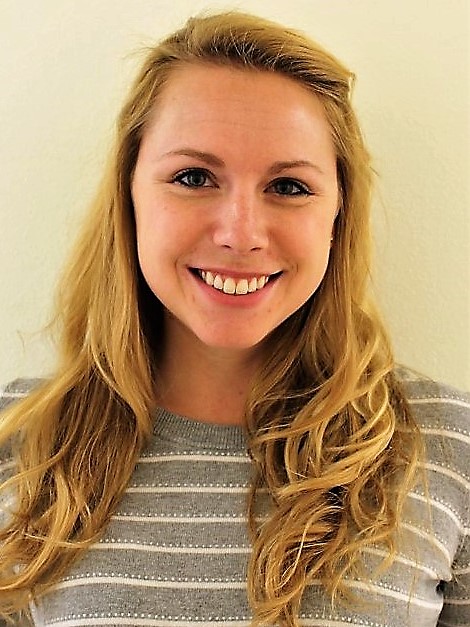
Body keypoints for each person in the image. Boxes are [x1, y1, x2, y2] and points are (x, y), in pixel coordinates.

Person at [0, 10, 469, 627]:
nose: (240, 234)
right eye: (194, 177)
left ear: (338, 215)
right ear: (130, 193)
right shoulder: (18, 443)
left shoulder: (445, 449)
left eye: (290, 187)